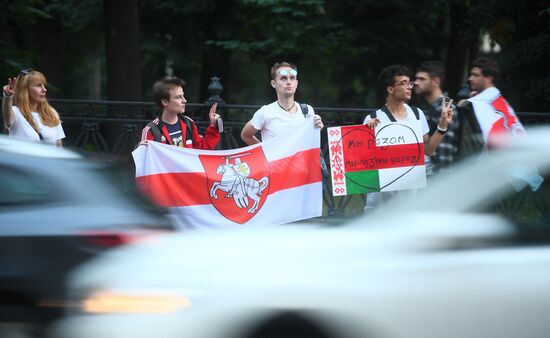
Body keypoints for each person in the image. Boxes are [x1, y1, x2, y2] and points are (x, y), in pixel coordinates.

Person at [363, 64, 453, 211]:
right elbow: (364, 163)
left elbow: (428, 150)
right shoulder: (373, 119)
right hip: (381, 200)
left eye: (410, 83)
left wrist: (442, 126)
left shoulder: (417, 115)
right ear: (390, 89)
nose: (410, 87)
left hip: (410, 197)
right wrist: (367, 132)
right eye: (403, 83)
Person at [240, 61, 323, 145]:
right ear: (273, 83)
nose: (288, 82)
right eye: (283, 78)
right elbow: (246, 135)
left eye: (292, 78)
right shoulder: (265, 112)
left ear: (296, 83)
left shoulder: (307, 110)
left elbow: (309, 142)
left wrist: (317, 130)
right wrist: (265, 151)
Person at [140, 76, 220, 149]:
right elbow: (145, 161)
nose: (184, 101)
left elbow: (203, 150)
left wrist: (213, 126)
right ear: (165, 102)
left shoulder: (188, 123)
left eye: (183, 96)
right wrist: (141, 148)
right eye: (178, 97)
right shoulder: (151, 130)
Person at [464, 57, 525, 149]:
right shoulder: (503, 103)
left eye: (476, 75)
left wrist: (465, 103)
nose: (470, 79)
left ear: (489, 78)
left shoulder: (473, 104)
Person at [414, 61, 460, 174]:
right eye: (416, 78)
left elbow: (445, 152)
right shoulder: (435, 107)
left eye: (422, 79)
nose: (416, 82)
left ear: (436, 81)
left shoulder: (443, 108)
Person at [2, 69, 65, 146]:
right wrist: (8, 97)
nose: (44, 89)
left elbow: (59, 148)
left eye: (44, 85)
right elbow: (7, 121)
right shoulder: (15, 112)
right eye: (39, 85)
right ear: (26, 89)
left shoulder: (52, 113)